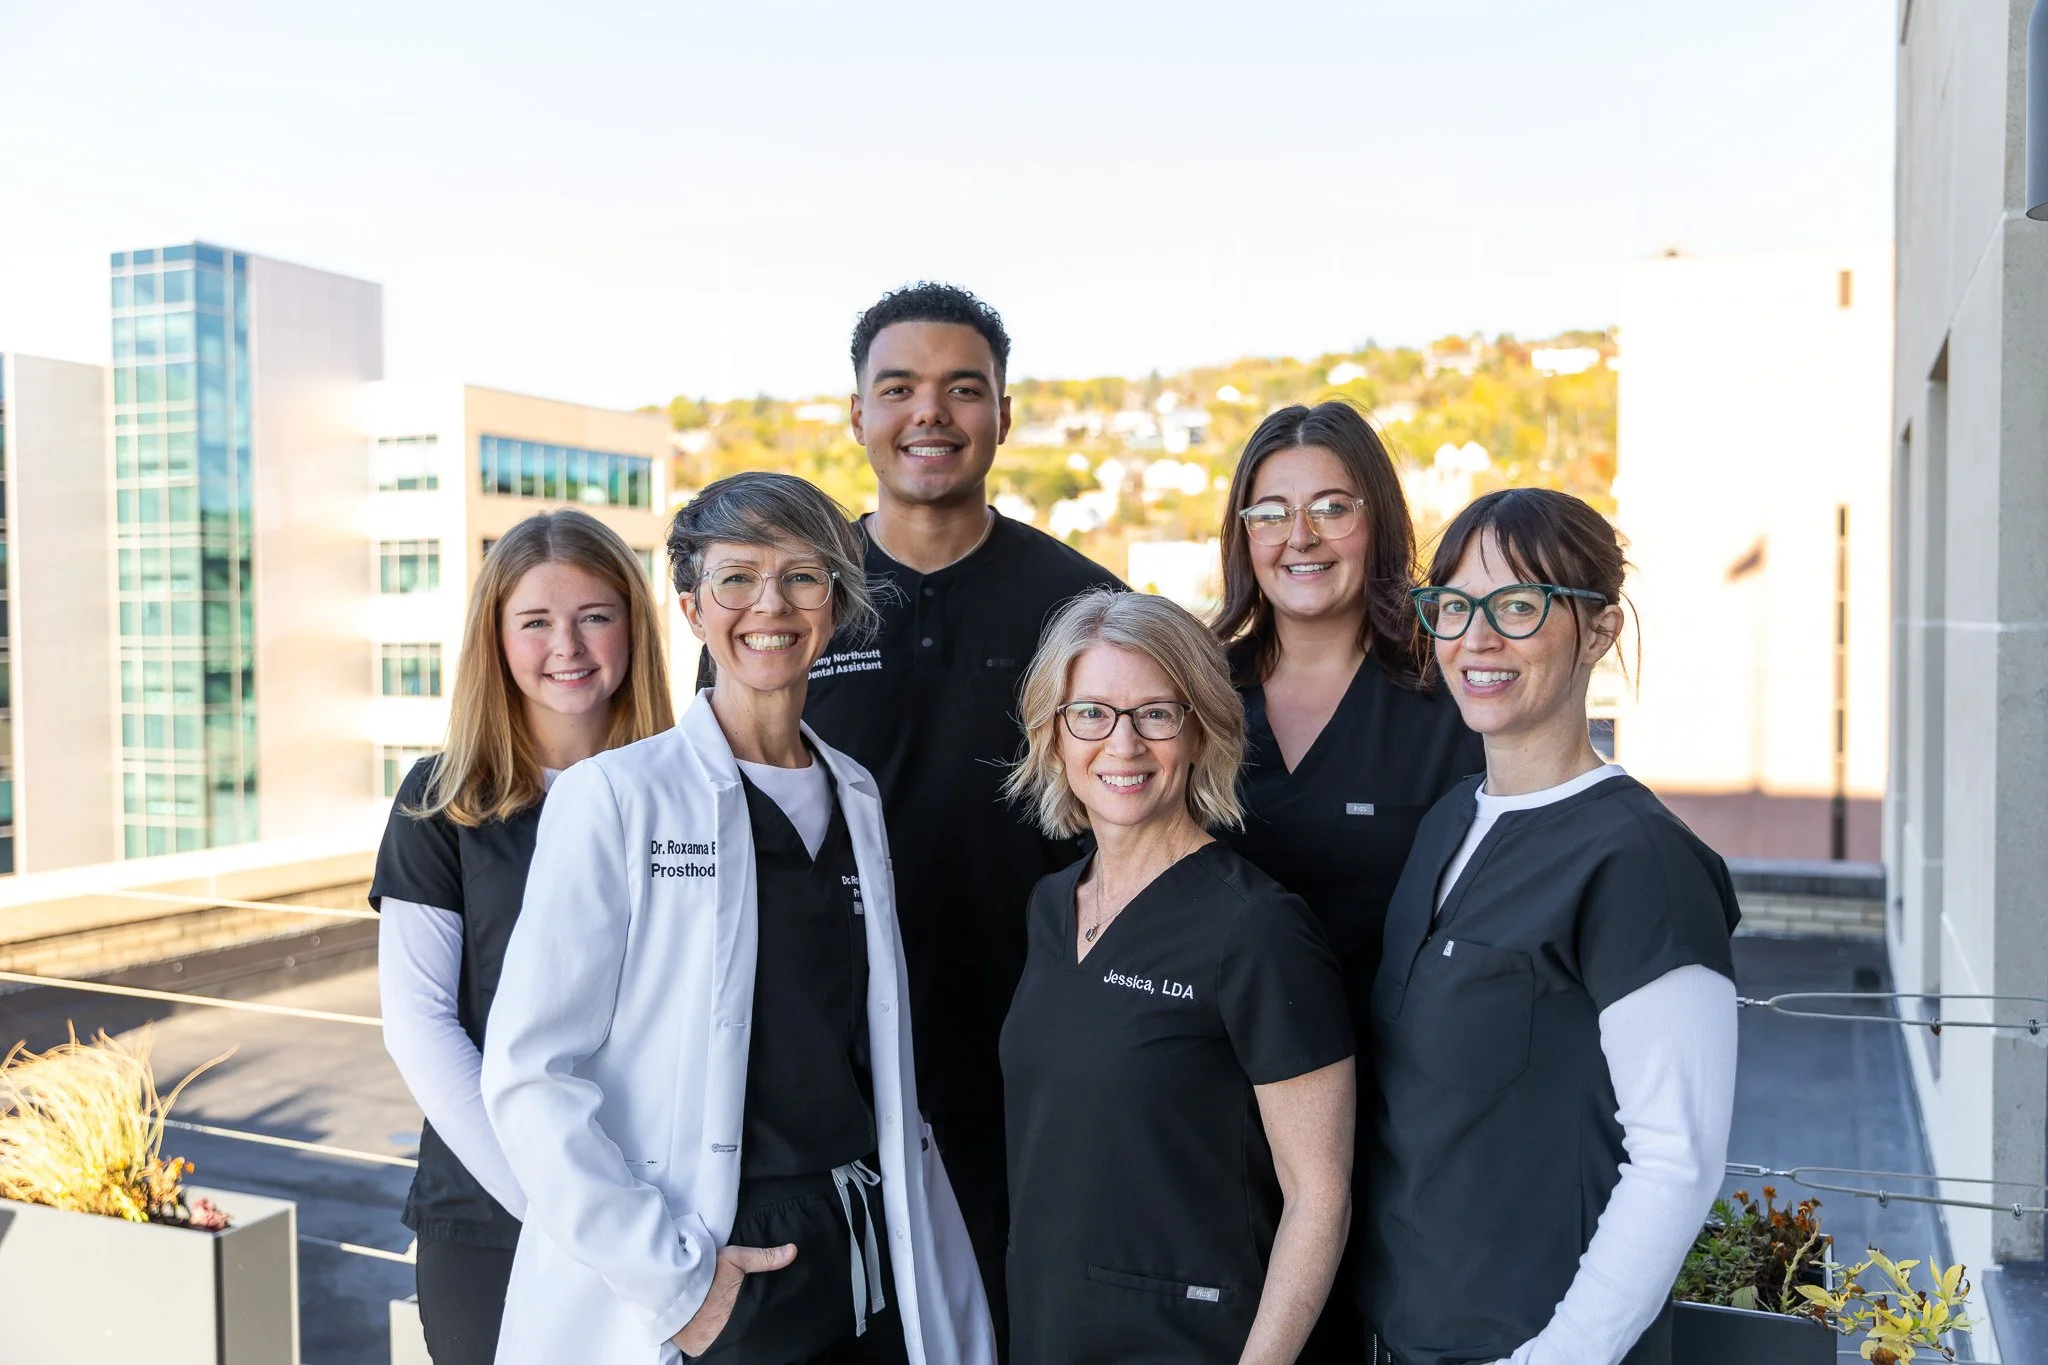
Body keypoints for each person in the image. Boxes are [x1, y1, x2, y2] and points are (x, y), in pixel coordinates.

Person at [483, 472, 995, 1365]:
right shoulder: (617, 798)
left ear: (834, 604)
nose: (772, 604)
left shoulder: (857, 794)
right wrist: (676, 1284)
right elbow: (530, 1076)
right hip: (718, 1262)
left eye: (803, 576)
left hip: (861, 1247)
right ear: (690, 606)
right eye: (736, 578)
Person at [777, 282, 1123, 1329]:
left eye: (961, 388)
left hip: (1031, 1069)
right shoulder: (786, 599)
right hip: (822, 1073)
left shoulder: (1082, 604)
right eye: (898, 388)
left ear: (1003, 416)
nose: (929, 412)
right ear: (857, 414)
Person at [1361, 488, 1740, 1365]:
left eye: (1518, 606)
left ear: (1600, 631)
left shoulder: (1641, 861)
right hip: (1405, 1334)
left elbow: (1677, 1160)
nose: (1475, 638)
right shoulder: (1451, 819)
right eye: (1453, 606)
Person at [999, 589, 1356, 1365]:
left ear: (1200, 732)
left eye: (1157, 713)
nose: (1122, 744)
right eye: (1090, 713)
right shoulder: (1051, 905)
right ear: (1054, 737)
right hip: (1050, 1329)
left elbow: (1319, 1198)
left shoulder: (1258, 929)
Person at [371, 508, 675, 1365]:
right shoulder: (441, 800)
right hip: (495, 1214)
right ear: (496, 640)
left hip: (665, 1204)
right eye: (535, 621)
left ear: (632, 628)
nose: (567, 645)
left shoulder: (686, 788)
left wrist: (630, 1216)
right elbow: (421, 1025)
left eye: (594, 616)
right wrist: (559, 1201)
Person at [1212, 402, 1483, 1362]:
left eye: (1333, 506)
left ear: (1380, 521)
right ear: (1242, 533)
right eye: (1272, 511)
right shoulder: (1198, 692)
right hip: (1212, 1114)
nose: (1302, 536)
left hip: (1401, 1118)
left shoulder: (1447, 694)